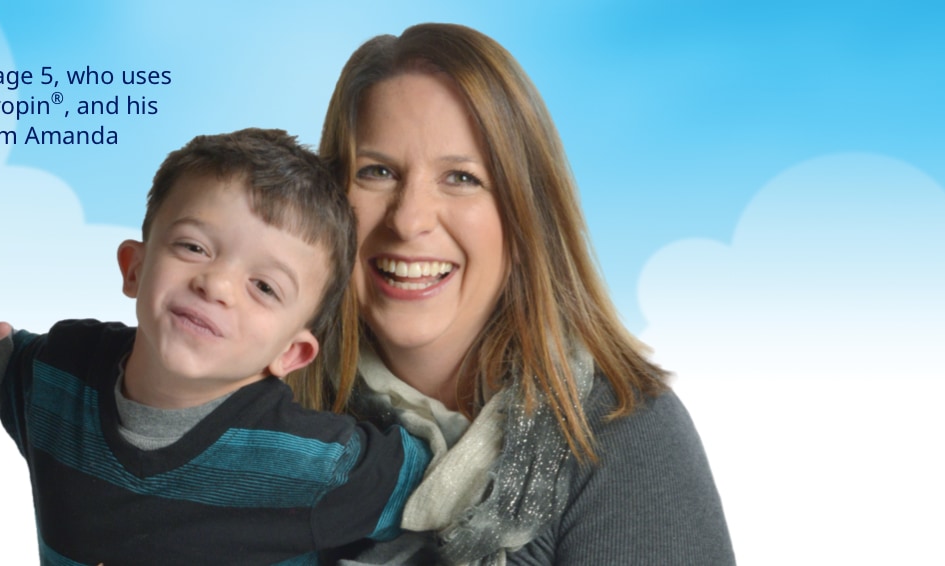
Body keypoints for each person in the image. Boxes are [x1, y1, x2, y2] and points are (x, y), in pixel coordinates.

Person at [0, 128, 431, 566]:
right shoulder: (61, 371)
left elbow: (443, 490)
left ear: (291, 354)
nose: (215, 285)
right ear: (135, 267)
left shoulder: (318, 462)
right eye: (194, 247)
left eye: (264, 287)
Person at [297, 23, 737, 565]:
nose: (409, 220)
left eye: (461, 178)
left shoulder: (623, 433)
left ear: (527, 214)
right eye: (378, 172)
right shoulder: (264, 411)